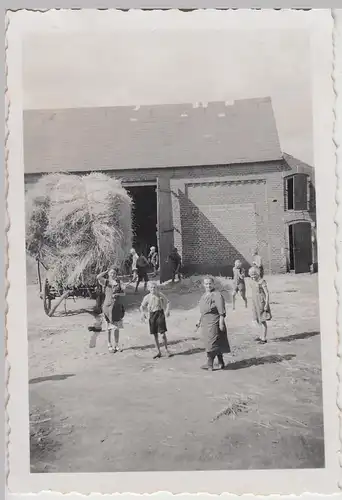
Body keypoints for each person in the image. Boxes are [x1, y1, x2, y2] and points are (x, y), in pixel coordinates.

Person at [197, 276, 230, 371]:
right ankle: (221, 362)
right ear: (204, 285)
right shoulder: (204, 296)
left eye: (210, 283)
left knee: (212, 343)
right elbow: (203, 311)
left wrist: (221, 323)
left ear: (213, 284)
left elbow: (221, 311)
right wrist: (199, 321)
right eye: (206, 284)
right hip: (205, 322)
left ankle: (210, 364)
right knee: (214, 342)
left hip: (214, 321)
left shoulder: (217, 295)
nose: (208, 285)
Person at [94, 267, 125, 353]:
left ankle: (117, 345)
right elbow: (98, 277)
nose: (113, 274)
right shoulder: (106, 282)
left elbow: (124, 293)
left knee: (116, 327)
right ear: (108, 274)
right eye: (111, 273)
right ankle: (109, 344)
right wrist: (106, 271)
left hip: (116, 307)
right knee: (109, 327)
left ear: (116, 274)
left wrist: (118, 294)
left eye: (114, 273)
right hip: (107, 307)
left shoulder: (119, 282)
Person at [140, 282, 171, 359]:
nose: (153, 289)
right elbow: (142, 306)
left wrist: (167, 310)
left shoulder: (160, 294)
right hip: (152, 315)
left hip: (160, 313)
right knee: (155, 334)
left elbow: (168, 302)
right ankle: (158, 351)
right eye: (151, 287)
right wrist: (142, 313)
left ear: (157, 288)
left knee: (162, 334)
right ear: (148, 289)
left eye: (154, 287)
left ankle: (166, 350)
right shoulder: (147, 297)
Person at [248, 266, 271, 344]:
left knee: (262, 320)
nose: (253, 276)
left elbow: (267, 293)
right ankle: (261, 335)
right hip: (255, 302)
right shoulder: (251, 282)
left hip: (261, 302)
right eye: (251, 275)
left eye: (254, 274)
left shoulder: (262, 281)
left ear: (258, 273)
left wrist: (266, 304)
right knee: (257, 319)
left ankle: (264, 338)